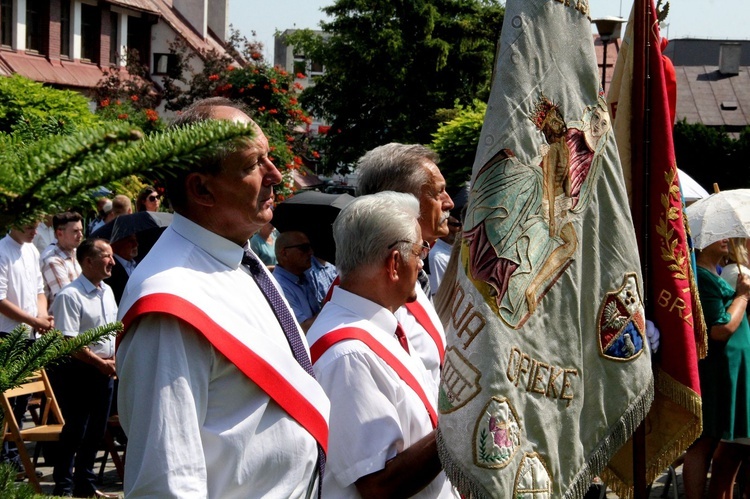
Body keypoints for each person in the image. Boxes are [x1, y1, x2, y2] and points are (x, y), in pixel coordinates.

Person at [116, 97, 329, 498]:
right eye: (253, 164)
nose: (276, 174)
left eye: (269, 158)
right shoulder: (169, 300)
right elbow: (166, 480)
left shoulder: (240, 258)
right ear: (201, 188)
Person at [307, 191, 456, 498]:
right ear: (394, 263)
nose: (422, 265)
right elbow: (379, 486)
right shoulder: (348, 355)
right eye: (419, 252)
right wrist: (462, 426)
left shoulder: (379, 325)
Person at [356, 143, 453, 388]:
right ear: (401, 203)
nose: (449, 203)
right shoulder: (378, 286)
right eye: (437, 193)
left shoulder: (414, 275)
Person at [49, 238, 118, 498]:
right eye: (107, 256)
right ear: (88, 261)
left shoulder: (107, 291)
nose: (112, 261)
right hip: (79, 371)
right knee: (76, 429)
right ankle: (63, 486)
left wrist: (112, 362)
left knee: (97, 430)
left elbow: (113, 330)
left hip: (105, 371)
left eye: (112, 256)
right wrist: (100, 363)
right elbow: (68, 342)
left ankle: (85, 485)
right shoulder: (70, 295)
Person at [683, 238, 750, 499]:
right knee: (705, 442)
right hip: (716, 372)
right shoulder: (701, 276)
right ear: (700, 243)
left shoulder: (714, 273)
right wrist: (742, 295)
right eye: (716, 237)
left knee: (718, 442)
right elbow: (721, 329)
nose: (725, 240)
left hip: (730, 371)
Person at [0, 222, 54, 472]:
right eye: (30, 226)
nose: (35, 232)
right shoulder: (2, 250)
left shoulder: (32, 251)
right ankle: (6, 456)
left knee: (22, 400)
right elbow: (0, 300)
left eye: (36, 227)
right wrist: (33, 320)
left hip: (30, 332)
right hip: (7, 335)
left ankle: (13, 456)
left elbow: (39, 290)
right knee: (6, 402)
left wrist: (42, 316)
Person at [273, 231, 320, 332]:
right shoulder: (278, 286)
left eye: (310, 247)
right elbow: (302, 329)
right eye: (304, 248)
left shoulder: (305, 276)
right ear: (284, 253)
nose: (310, 253)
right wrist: (330, 307)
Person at [41, 211, 84, 307]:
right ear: (59, 233)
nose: (80, 235)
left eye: (81, 230)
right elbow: (67, 299)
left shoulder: (76, 253)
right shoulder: (52, 260)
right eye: (75, 231)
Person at [428, 212, 461, 297]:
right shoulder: (436, 258)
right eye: (456, 224)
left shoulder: (458, 252)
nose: (460, 229)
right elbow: (437, 296)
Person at [106, 234, 138, 304]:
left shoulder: (137, 263)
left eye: (135, 240)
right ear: (117, 243)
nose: (136, 244)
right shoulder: (110, 268)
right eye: (130, 241)